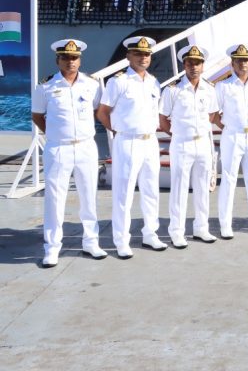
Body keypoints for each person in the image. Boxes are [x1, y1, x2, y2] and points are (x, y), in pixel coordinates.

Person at [32, 39, 106, 268]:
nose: (70, 62)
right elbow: (37, 115)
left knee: (89, 196)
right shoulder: (45, 86)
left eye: (74, 58)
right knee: (55, 199)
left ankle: (91, 242)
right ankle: (52, 247)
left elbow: (98, 110)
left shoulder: (92, 85)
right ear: (58, 60)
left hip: (86, 146)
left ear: (79, 60)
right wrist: (54, 133)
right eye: (65, 58)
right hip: (58, 148)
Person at [97, 36, 168, 259]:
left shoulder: (154, 82)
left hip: (150, 141)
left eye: (146, 54)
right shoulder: (118, 82)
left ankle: (150, 234)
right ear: (128, 56)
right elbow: (102, 112)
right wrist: (118, 131)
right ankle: (121, 240)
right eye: (138, 53)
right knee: (124, 193)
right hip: (127, 141)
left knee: (151, 190)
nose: (143, 58)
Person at [159, 45, 219, 247]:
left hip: (202, 142)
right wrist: (177, 133)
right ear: (184, 65)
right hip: (182, 143)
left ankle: (201, 228)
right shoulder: (173, 89)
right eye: (190, 63)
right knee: (179, 188)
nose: (194, 67)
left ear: (203, 66)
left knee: (202, 187)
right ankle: (176, 231)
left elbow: (212, 114)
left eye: (198, 63)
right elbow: (163, 119)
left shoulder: (209, 89)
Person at [215, 44, 248, 239]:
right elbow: (214, 113)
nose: (243, 63)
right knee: (229, 179)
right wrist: (228, 127)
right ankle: (225, 224)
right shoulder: (223, 86)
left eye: (246, 60)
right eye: (239, 60)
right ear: (233, 63)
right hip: (232, 136)